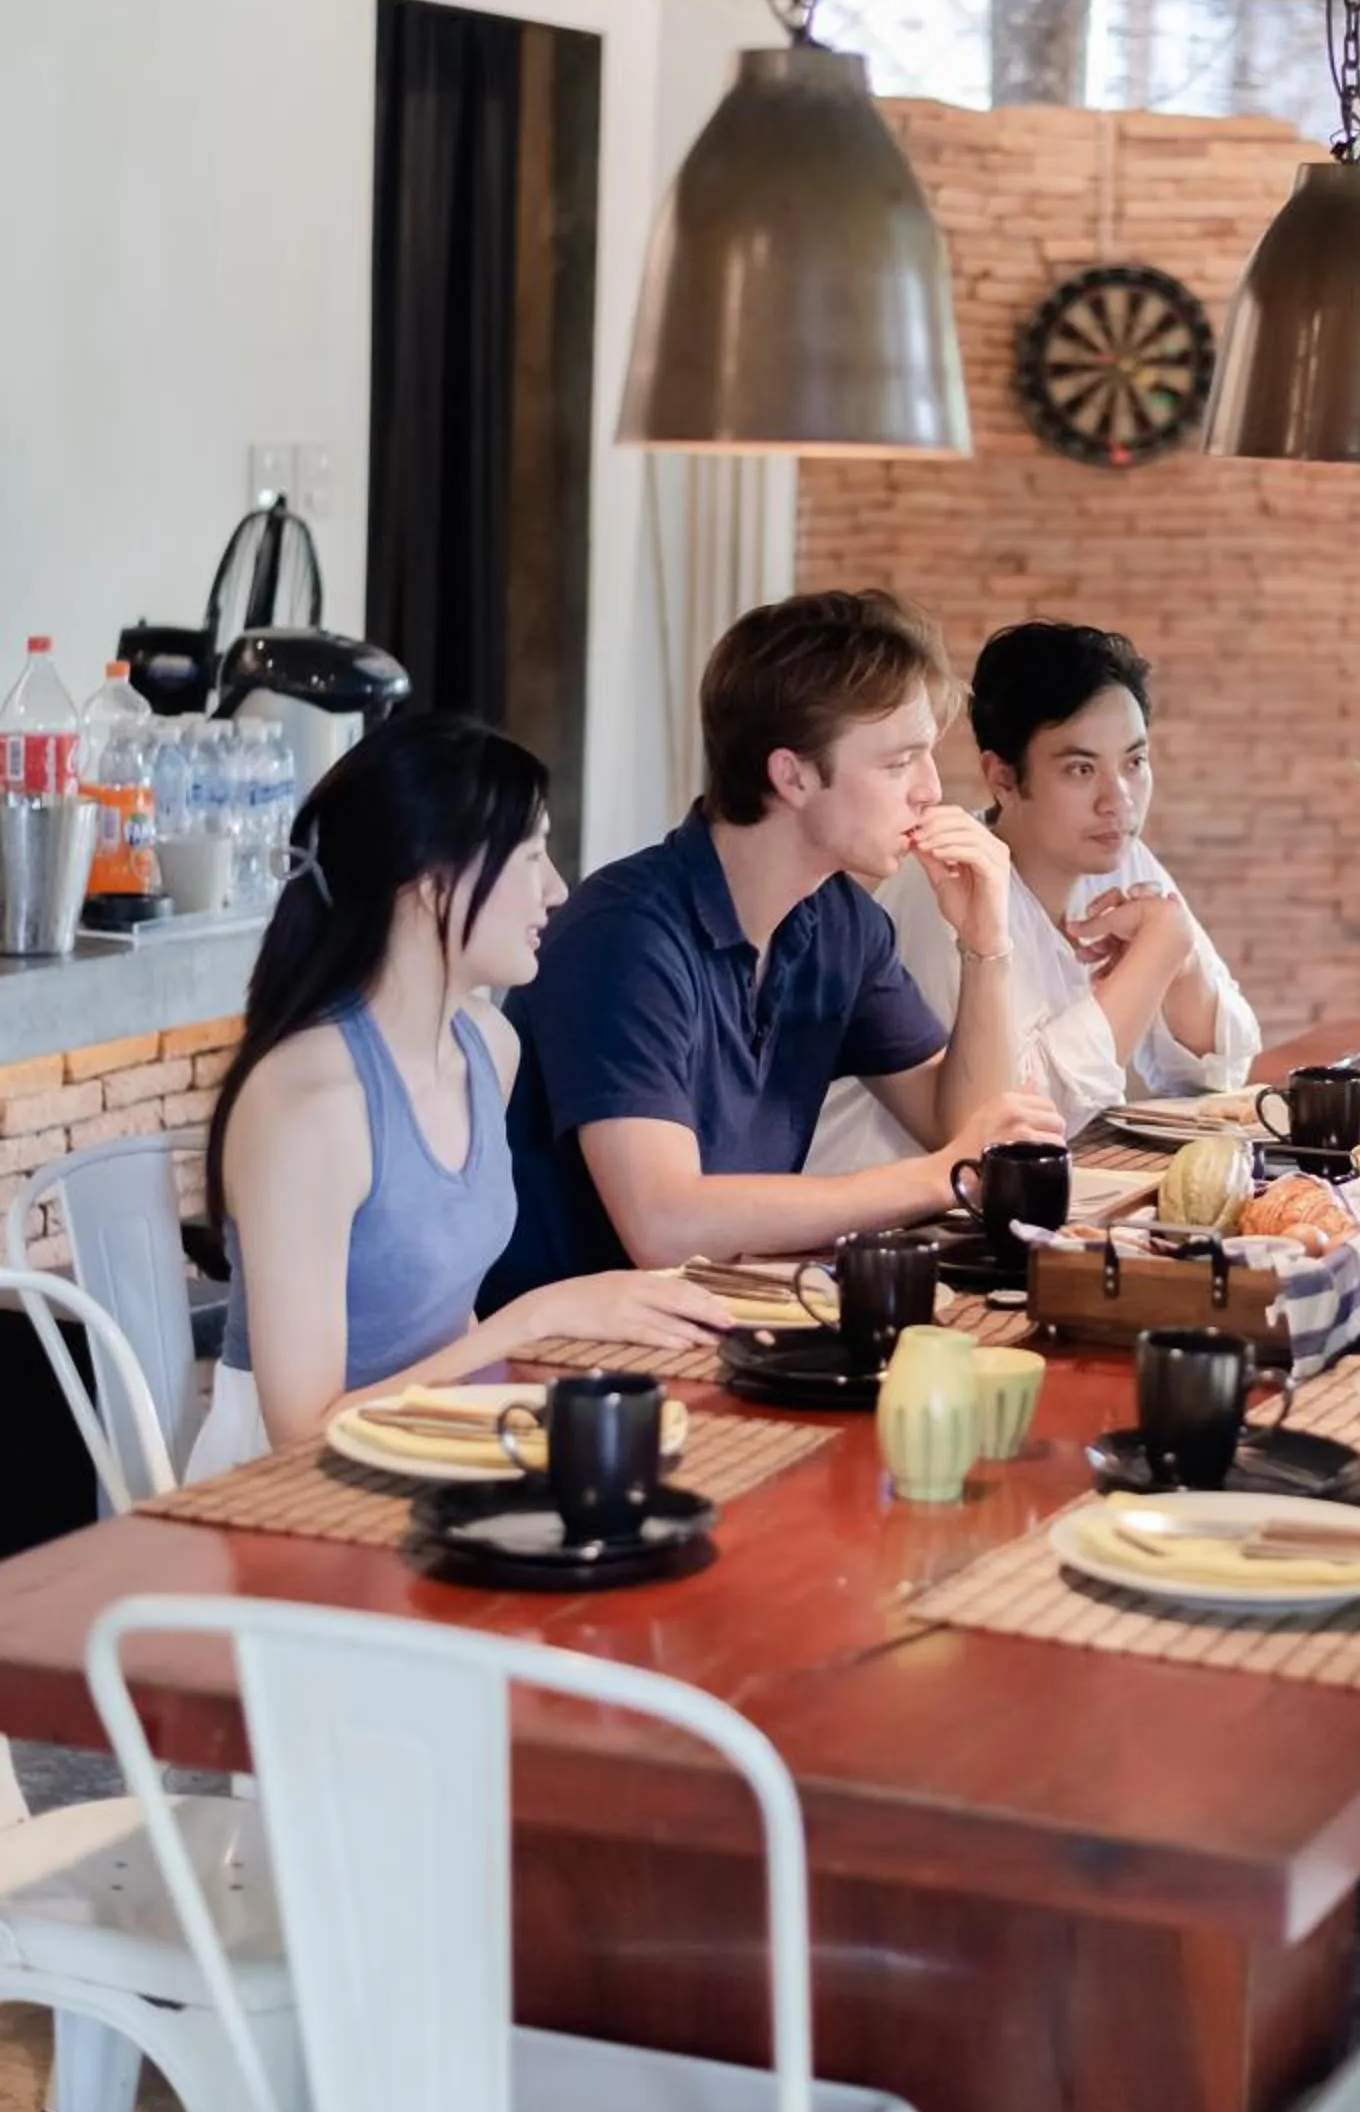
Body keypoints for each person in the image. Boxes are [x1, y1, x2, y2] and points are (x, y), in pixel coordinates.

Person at [188, 714, 731, 1475]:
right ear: (432, 883)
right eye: (534, 855)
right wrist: (537, 1317)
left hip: (431, 1442)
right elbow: (303, 1435)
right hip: (284, 1490)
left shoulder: (488, 1047)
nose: (557, 888)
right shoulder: (309, 1105)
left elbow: (446, 1324)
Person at [482, 592, 1063, 1301]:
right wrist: (940, 1174)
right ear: (792, 775)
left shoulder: (840, 921)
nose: (931, 791)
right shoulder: (624, 937)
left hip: (717, 1320)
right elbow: (662, 1224)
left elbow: (967, 1127)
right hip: (569, 1365)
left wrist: (985, 942)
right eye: (898, 763)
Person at [809, 621, 1258, 1170]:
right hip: (876, 1220)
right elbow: (1015, 1122)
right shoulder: (948, 888)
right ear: (1002, 777)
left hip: (1003, 1205)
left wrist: (1180, 961)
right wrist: (1154, 956)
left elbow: (1223, 1070)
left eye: (1135, 763)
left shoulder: (1118, 855)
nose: (1117, 801)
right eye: (1080, 769)